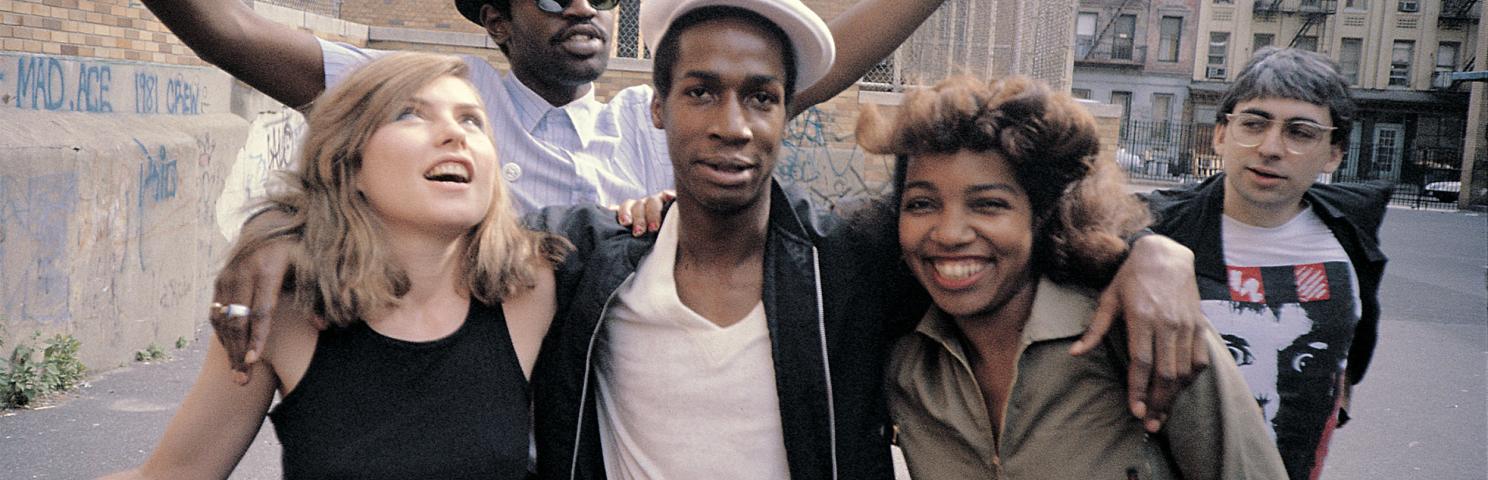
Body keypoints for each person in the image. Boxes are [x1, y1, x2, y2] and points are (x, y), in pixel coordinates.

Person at [524, 1, 1220, 478]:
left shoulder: (848, 262)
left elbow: (1007, 233)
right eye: (701, 92)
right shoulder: (587, 261)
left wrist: (1154, 251)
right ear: (656, 104)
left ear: (787, 112)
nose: (732, 124)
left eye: (761, 97)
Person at [103, 52, 569, 479]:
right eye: (409, 114)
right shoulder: (280, 312)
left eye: (473, 121)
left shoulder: (537, 288)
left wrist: (646, 209)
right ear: (349, 165)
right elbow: (173, 474)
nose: (455, 134)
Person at [865, 75, 1287, 479]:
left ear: (1042, 213)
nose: (950, 233)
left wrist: (1152, 249)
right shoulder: (905, 361)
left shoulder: (1143, 328)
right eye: (921, 205)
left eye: (989, 204)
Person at [1143, 47, 1391, 480]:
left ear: (1333, 153)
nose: (1271, 148)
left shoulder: (1348, 232)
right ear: (1221, 134)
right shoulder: (1154, 229)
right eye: (1254, 124)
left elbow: (1351, 335)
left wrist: (1340, 399)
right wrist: (1138, 244)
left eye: (1301, 132)